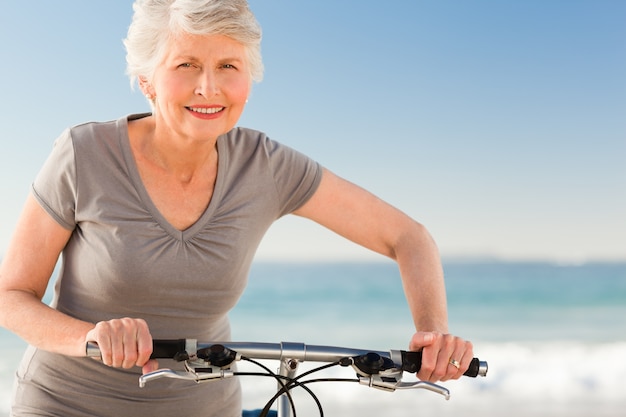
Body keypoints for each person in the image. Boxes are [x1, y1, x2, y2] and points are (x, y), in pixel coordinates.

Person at [0, 1, 473, 416]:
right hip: (66, 406)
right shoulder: (83, 154)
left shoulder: (266, 167)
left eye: (229, 66)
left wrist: (433, 334)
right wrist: (90, 337)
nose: (209, 88)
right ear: (146, 79)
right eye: (186, 64)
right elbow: (11, 295)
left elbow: (407, 237)